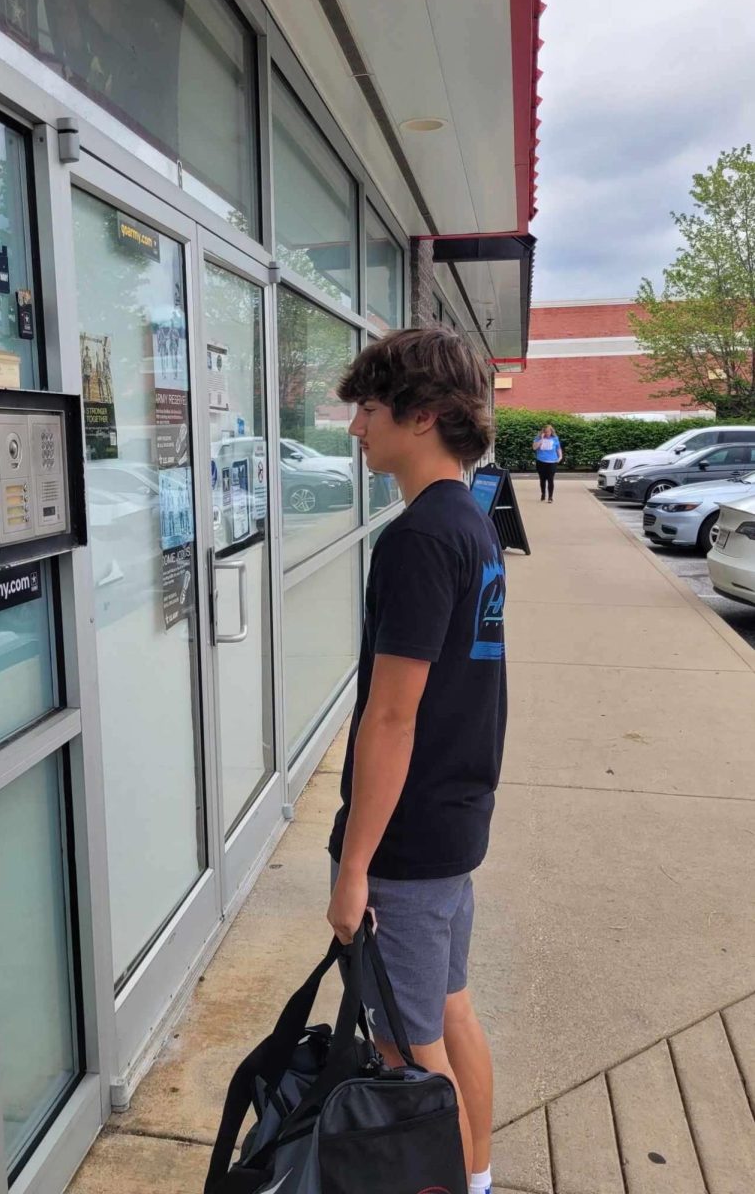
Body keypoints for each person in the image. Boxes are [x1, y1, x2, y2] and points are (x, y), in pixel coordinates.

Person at [326, 326, 506, 1194]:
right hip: (452, 822)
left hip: (407, 840)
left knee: (406, 1046)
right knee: (447, 1010)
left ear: (423, 416)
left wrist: (354, 865)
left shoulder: (418, 538)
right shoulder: (469, 522)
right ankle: (474, 1180)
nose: (355, 427)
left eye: (367, 408)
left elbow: (391, 718)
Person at [532, 424, 562, 501]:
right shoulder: (538, 438)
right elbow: (534, 448)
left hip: (552, 462)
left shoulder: (555, 438)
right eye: (545, 432)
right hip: (541, 462)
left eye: (548, 432)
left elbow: (558, 449)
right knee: (542, 479)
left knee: (550, 479)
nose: (547, 433)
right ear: (543, 432)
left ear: (551, 431)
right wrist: (541, 439)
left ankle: (550, 497)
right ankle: (543, 494)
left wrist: (560, 457)